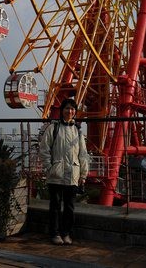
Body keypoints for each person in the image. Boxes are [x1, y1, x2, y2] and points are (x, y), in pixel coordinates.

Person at [39, 98, 89, 245]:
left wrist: (83, 174)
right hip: (56, 173)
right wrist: (50, 167)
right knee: (55, 206)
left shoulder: (78, 131)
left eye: (72, 109)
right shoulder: (53, 128)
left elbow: (83, 154)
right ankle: (54, 233)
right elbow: (44, 149)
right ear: (62, 111)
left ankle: (66, 233)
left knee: (69, 206)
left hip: (73, 173)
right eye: (67, 108)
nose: (70, 111)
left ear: (75, 112)